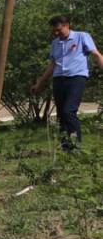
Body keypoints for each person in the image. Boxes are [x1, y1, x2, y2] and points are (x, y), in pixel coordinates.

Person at [32, 15, 103, 150]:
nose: (56, 33)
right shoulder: (55, 43)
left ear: (67, 25)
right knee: (61, 114)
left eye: (59, 30)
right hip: (59, 80)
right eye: (54, 31)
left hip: (76, 78)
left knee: (68, 111)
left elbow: (96, 54)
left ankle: (76, 146)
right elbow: (52, 65)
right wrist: (39, 83)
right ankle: (66, 147)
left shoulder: (82, 36)